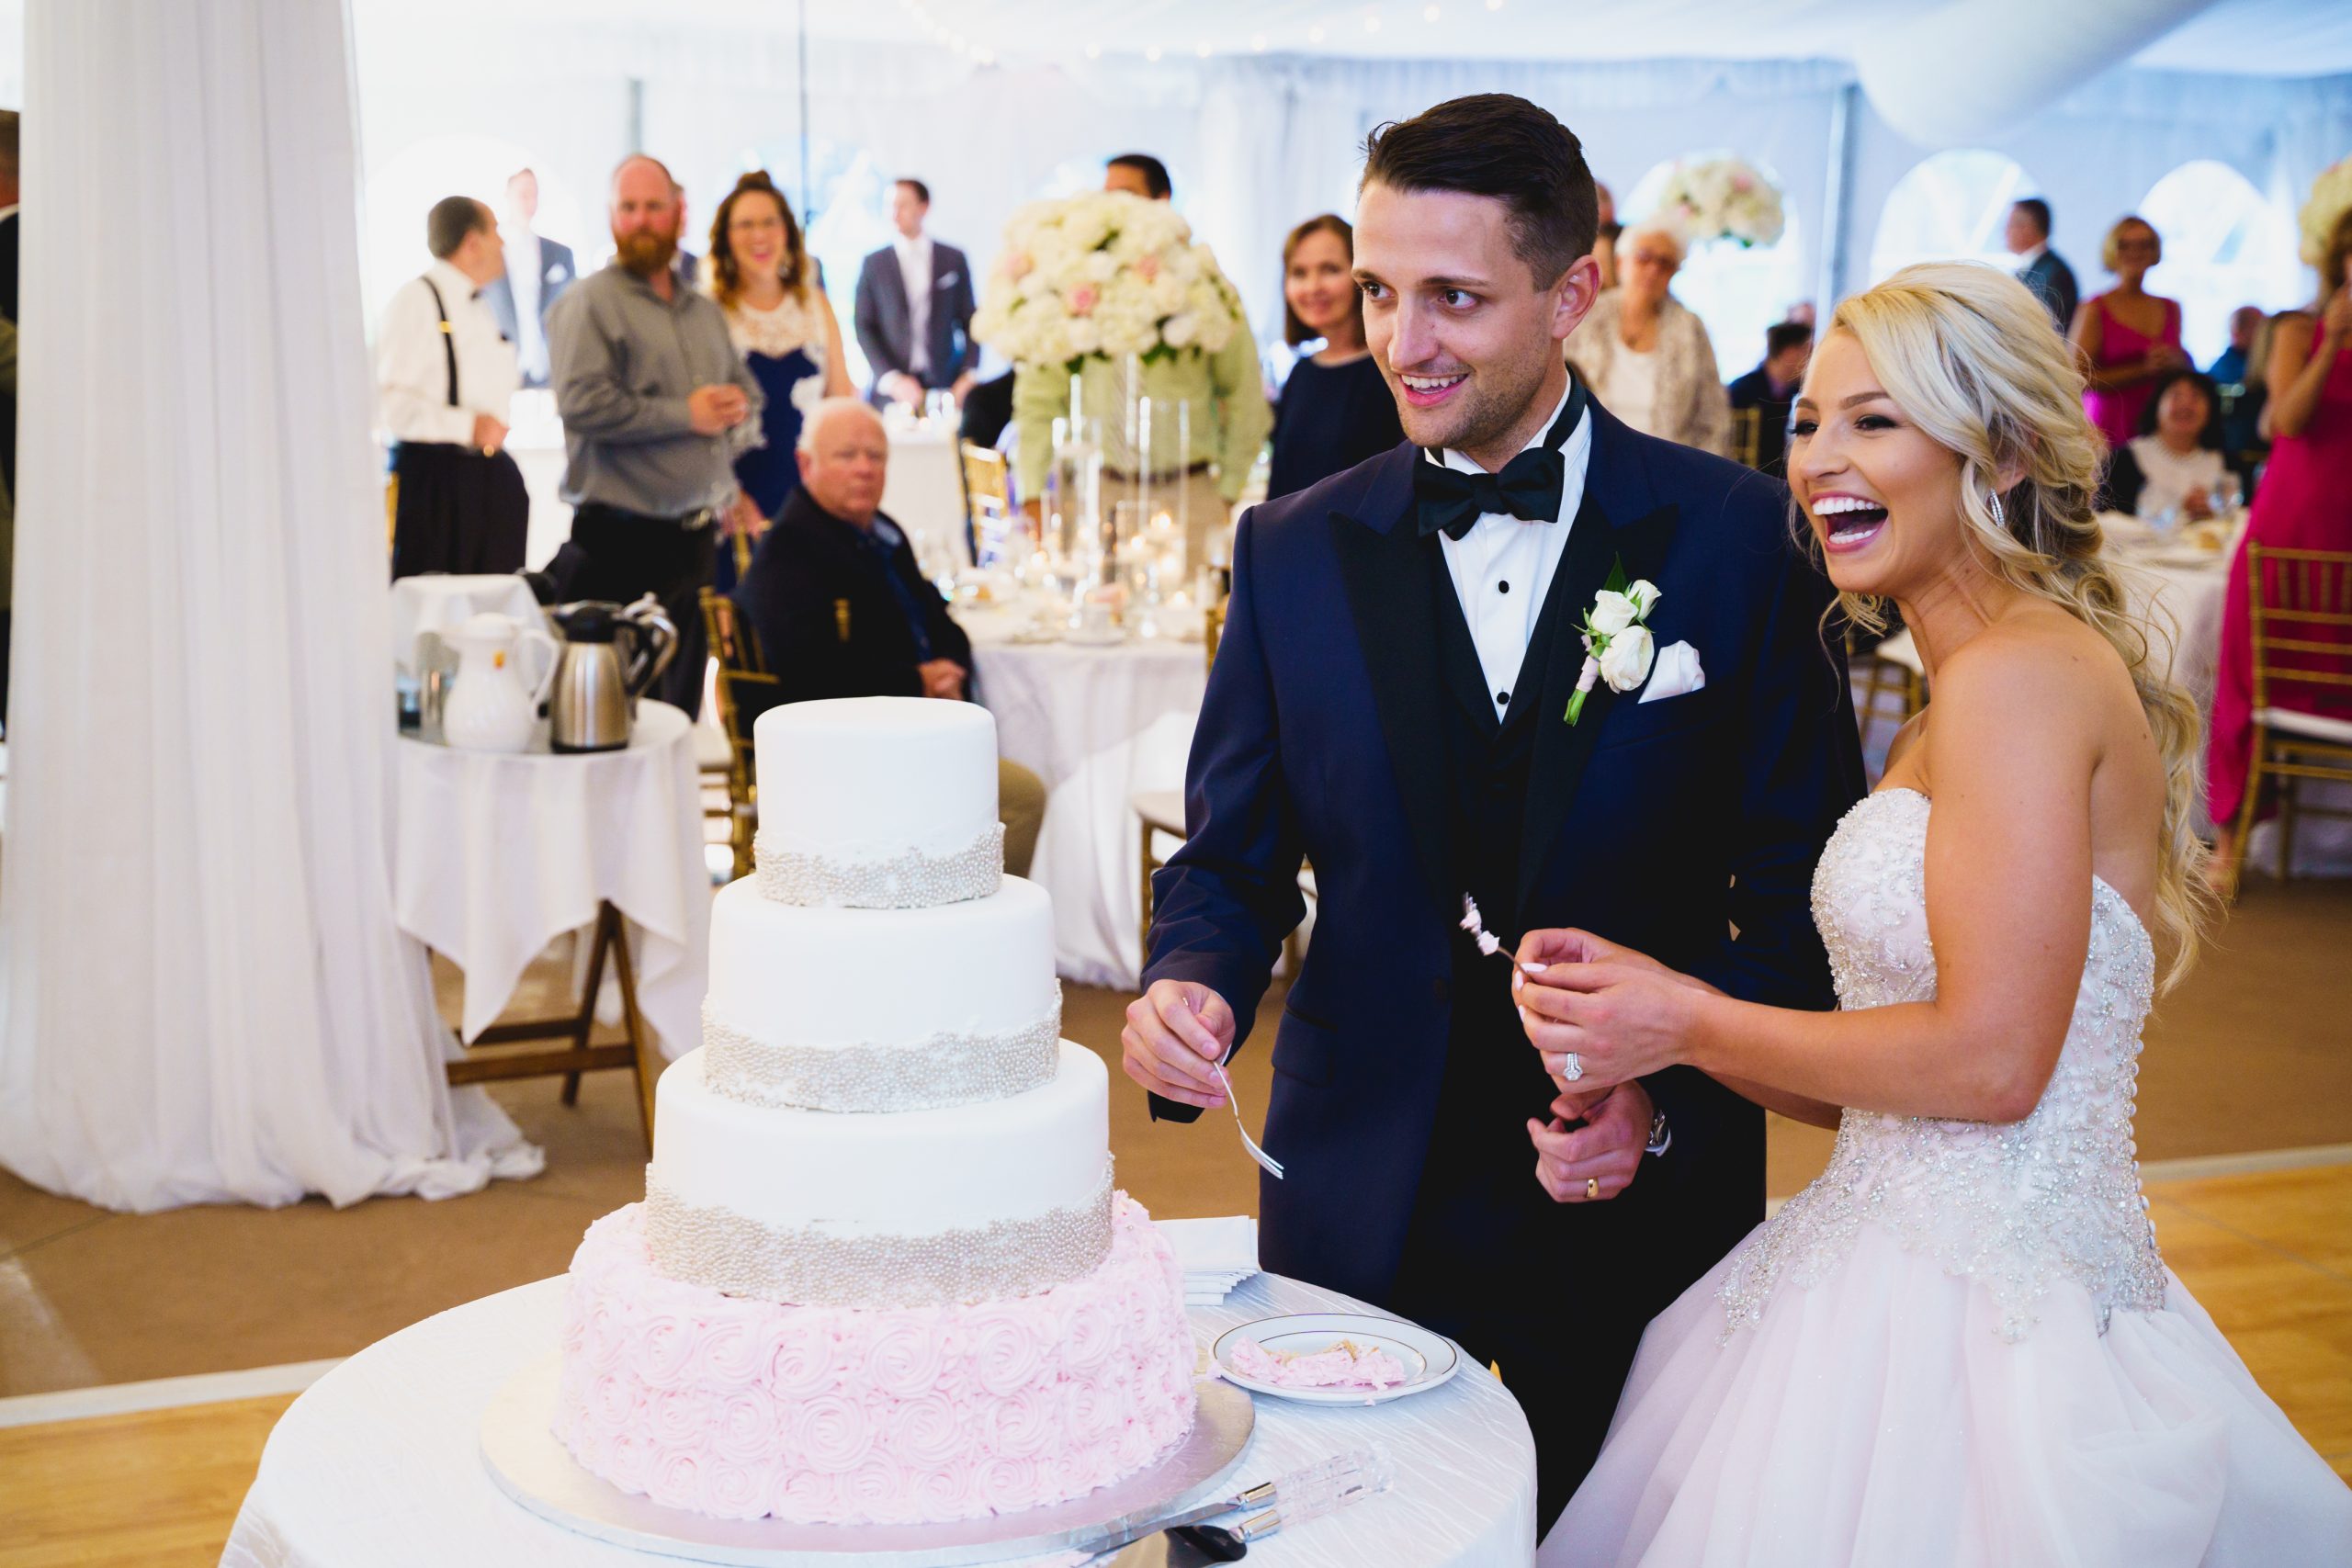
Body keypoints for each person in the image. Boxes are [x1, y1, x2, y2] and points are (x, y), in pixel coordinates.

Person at [1532, 260, 2352, 1562]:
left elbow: (1991, 1061)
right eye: (1809, 421)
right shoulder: (1958, 688)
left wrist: (1687, 1016)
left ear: (2003, 445)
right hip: (1881, 1265)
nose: (1820, 461)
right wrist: (1661, 1050)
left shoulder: (2019, 680)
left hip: (1984, 1338)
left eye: (1877, 419)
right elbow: (1896, 1076)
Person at [1125, 93, 1862, 1529]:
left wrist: (1655, 1100)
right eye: (1381, 289)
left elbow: (1797, 919)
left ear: (1572, 291)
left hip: (1641, 1205)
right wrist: (1189, 979)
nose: (1402, 342)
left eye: (1454, 299)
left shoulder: (1736, 540)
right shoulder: (1290, 549)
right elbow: (1231, 861)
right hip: (1359, 1189)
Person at [730, 398, 1044, 874]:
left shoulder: (880, 531)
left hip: (908, 732)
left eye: (876, 457)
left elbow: (942, 621)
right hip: (847, 757)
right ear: (806, 463)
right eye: (847, 455)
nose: (864, 469)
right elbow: (810, 680)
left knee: (1019, 767)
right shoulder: (791, 553)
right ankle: (958, 927)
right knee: (1021, 796)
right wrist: (917, 681)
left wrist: (948, 670)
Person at [548, 153, 763, 718]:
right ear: (612, 217)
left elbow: (747, 393)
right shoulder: (589, 303)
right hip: (618, 547)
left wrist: (736, 413)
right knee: (618, 722)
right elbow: (580, 403)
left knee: (677, 719)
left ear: (678, 213)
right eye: (628, 208)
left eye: (653, 207)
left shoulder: (703, 311)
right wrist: (685, 416)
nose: (641, 220)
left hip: (693, 546)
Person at [1012, 154, 1272, 567]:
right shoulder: (1075, 287)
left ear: (1162, 203)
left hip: (1188, 493)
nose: (1113, 208)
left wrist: (1227, 492)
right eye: (1107, 196)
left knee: (1186, 625)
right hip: (1098, 494)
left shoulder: (1203, 285)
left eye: (1127, 195)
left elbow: (1244, 397)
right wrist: (1031, 494)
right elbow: (1038, 402)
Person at [2208, 207, 2352, 884]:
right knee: (2252, 677)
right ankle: (2231, 844)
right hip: (2293, 520)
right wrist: (2335, 341)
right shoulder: (2298, 328)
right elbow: (2287, 420)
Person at [706, 170, 853, 592]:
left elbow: (841, 402)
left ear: (787, 232)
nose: (760, 236)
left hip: (809, 501)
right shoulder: (709, 314)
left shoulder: (816, 306)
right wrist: (731, 495)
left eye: (769, 222)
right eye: (745, 225)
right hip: (735, 508)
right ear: (726, 238)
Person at [376, 197, 529, 579]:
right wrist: (467, 427)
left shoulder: (481, 305)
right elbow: (391, 404)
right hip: (436, 488)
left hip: (485, 481)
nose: (504, 244)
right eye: (495, 230)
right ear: (471, 241)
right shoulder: (416, 300)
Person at [1266, 214, 1403, 500]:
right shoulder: (1301, 373)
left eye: (1329, 269)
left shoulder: (1390, 371)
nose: (1313, 287)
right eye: (1299, 273)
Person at [1566, 225, 1732, 457]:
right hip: (1588, 458)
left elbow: (1714, 419)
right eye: (1644, 257)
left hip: (1667, 469)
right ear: (1621, 261)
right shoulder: (1587, 316)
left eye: (1665, 263)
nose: (1653, 269)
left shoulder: (1690, 328)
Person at [854, 178, 978, 410]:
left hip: (945, 385)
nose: (894, 213)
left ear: (924, 207)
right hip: (891, 392)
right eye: (890, 206)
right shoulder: (874, 263)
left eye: (902, 205)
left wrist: (968, 374)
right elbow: (863, 325)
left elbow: (971, 320)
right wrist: (892, 378)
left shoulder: (952, 259)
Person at [2073, 214, 2188, 448]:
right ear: (2113, 250)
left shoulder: (2171, 307)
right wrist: (2142, 370)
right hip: (2110, 424)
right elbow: (2078, 377)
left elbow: (2181, 362)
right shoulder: (2096, 308)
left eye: (2144, 245)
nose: (2135, 252)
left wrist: (2178, 361)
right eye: (2126, 245)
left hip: (2158, 422)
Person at [481, 167, 576, 389]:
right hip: (502, 368)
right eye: (523, 194)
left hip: (550, 369)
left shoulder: (559, 253)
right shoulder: (489, 254)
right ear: (508, 195)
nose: (529, 201)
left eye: (533, 194)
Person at [2097, 368, 2229, 519]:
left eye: (2196, 396)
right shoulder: (2122, 460)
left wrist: (2215, 514)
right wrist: (2178, 513)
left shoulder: (2228, 463)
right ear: (2157, 406)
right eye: (2176, 395)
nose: (2186, 405)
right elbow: (2106, 523)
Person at [1725, 319, 1812, 476]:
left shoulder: (1795, 392)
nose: (1812, 360)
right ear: (1789, 353)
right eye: (1808, 351)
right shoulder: (1740, 392)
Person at [2007, 196, 2078, 336]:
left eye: (2010, 225)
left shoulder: (2054, 273)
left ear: (2027, 228)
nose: (2005, 232)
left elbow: (2049, 327)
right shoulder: (2034, 268)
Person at [2209, 303, 2269, 462]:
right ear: (2238, 331)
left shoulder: (2263, 362)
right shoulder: (2225, 369)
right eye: (2262, 329)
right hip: (2235, 452)